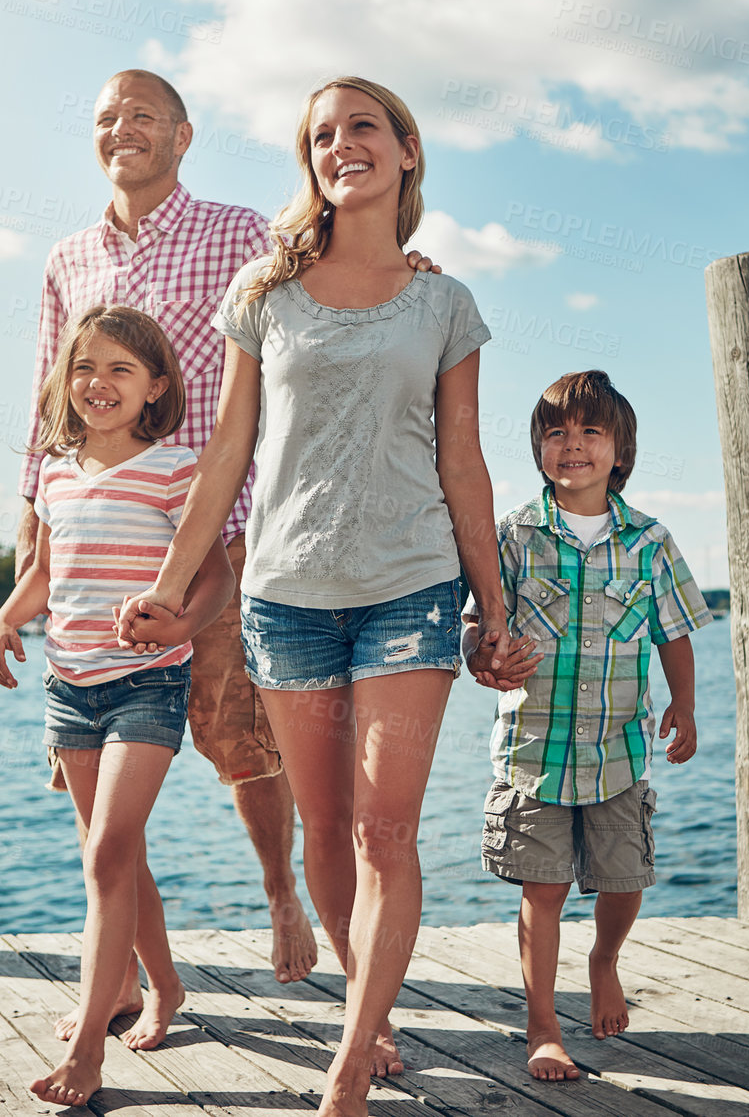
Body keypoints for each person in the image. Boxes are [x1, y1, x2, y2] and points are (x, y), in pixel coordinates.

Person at [116, 76, 529, 1117]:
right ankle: (369, 1006)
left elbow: (466, 464)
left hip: (410, 586)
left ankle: (346, 1063)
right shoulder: (264, 293)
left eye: (361, 127)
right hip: (286, 592)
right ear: (310, 160)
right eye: (321, 134)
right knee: (327, 823)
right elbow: (228, 450)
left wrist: (495, 606)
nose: (342, 144)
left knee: (387, 830)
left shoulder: (444, 302)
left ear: (404, 147)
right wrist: (173, 588)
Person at [15, 68, 434, 1001]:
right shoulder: (66, 258)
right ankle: (121, 968)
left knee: (240, 739)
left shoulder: (241, 231)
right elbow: (47, 394)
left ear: (183, 135)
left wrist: (417, 269)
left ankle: (281, 890)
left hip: (229, 528)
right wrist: (31, 521)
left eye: (142, 116)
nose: (121, 127)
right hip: (94, 534)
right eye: (106, 115)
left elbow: (337, 242)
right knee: (91, 749)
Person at [0, 304, 237, 1108]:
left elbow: (217, 580)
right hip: (69, 689)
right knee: (118, 856)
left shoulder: (176, 470)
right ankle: (163, 987)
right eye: (86, 367)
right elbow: (45, 573)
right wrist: (1, 619)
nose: (100, 383)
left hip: (148, 683)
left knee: (105, 855)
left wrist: (183, 624)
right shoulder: (56, 472)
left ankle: (89, 1051)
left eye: (122, 370)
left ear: (155, 386)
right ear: (66, 380)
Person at [465, 370, 711, 1082]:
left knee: (624, 874)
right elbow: (476, 621)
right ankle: (543, 1024)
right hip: (533, 749)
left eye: (590, 432)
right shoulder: (511, 536)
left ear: (620, 450)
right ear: (538, 447)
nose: (571, 445)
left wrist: (684, 704)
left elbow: (675, 633)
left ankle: (604, 959)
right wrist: (480, 654)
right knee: (540, 889)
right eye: (555, 432)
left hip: (619, 749)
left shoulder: (650, 541)